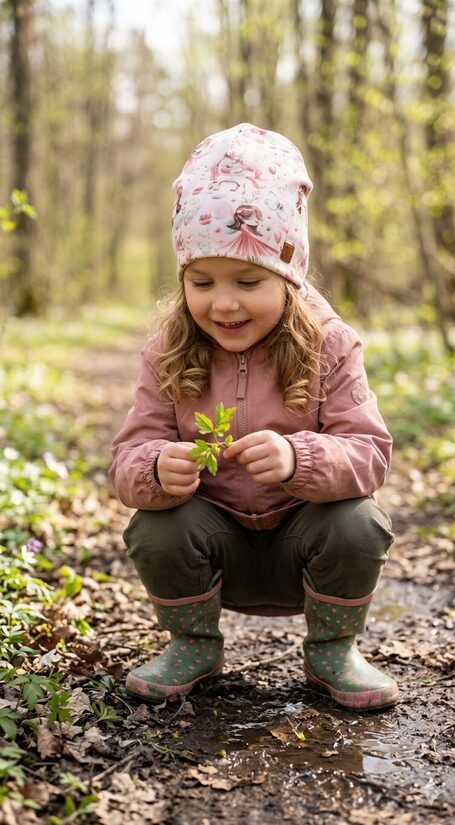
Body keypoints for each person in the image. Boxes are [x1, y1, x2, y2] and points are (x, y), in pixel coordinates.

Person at [109, 123, 398, 711]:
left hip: (305, 546)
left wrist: (299, 457)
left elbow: (370, 453)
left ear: (288, 277)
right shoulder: (168, 349)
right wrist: (155, 467)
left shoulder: (330, 344)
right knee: (154, 525)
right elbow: (126, 459)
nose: (223, 302)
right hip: (215, 549)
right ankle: (193, 643)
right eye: (202, 281)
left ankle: (333, 649)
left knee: (359, 522)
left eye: (248, 281)